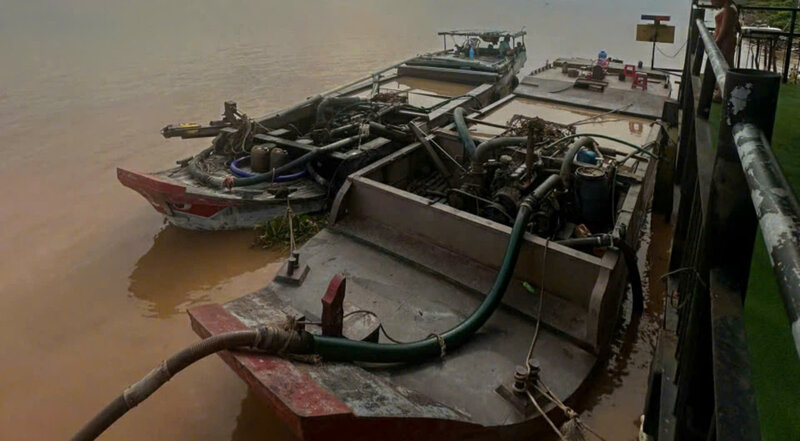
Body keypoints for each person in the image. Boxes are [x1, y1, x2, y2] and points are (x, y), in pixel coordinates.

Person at [712, 0, 740, 66]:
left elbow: (724, 29)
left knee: (724, 64)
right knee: (726, 64)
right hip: (727, 42)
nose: (712, 3)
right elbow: (736, 26)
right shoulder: (731, 7)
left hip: (724, 43)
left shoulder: (728, 9)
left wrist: (716, 44)